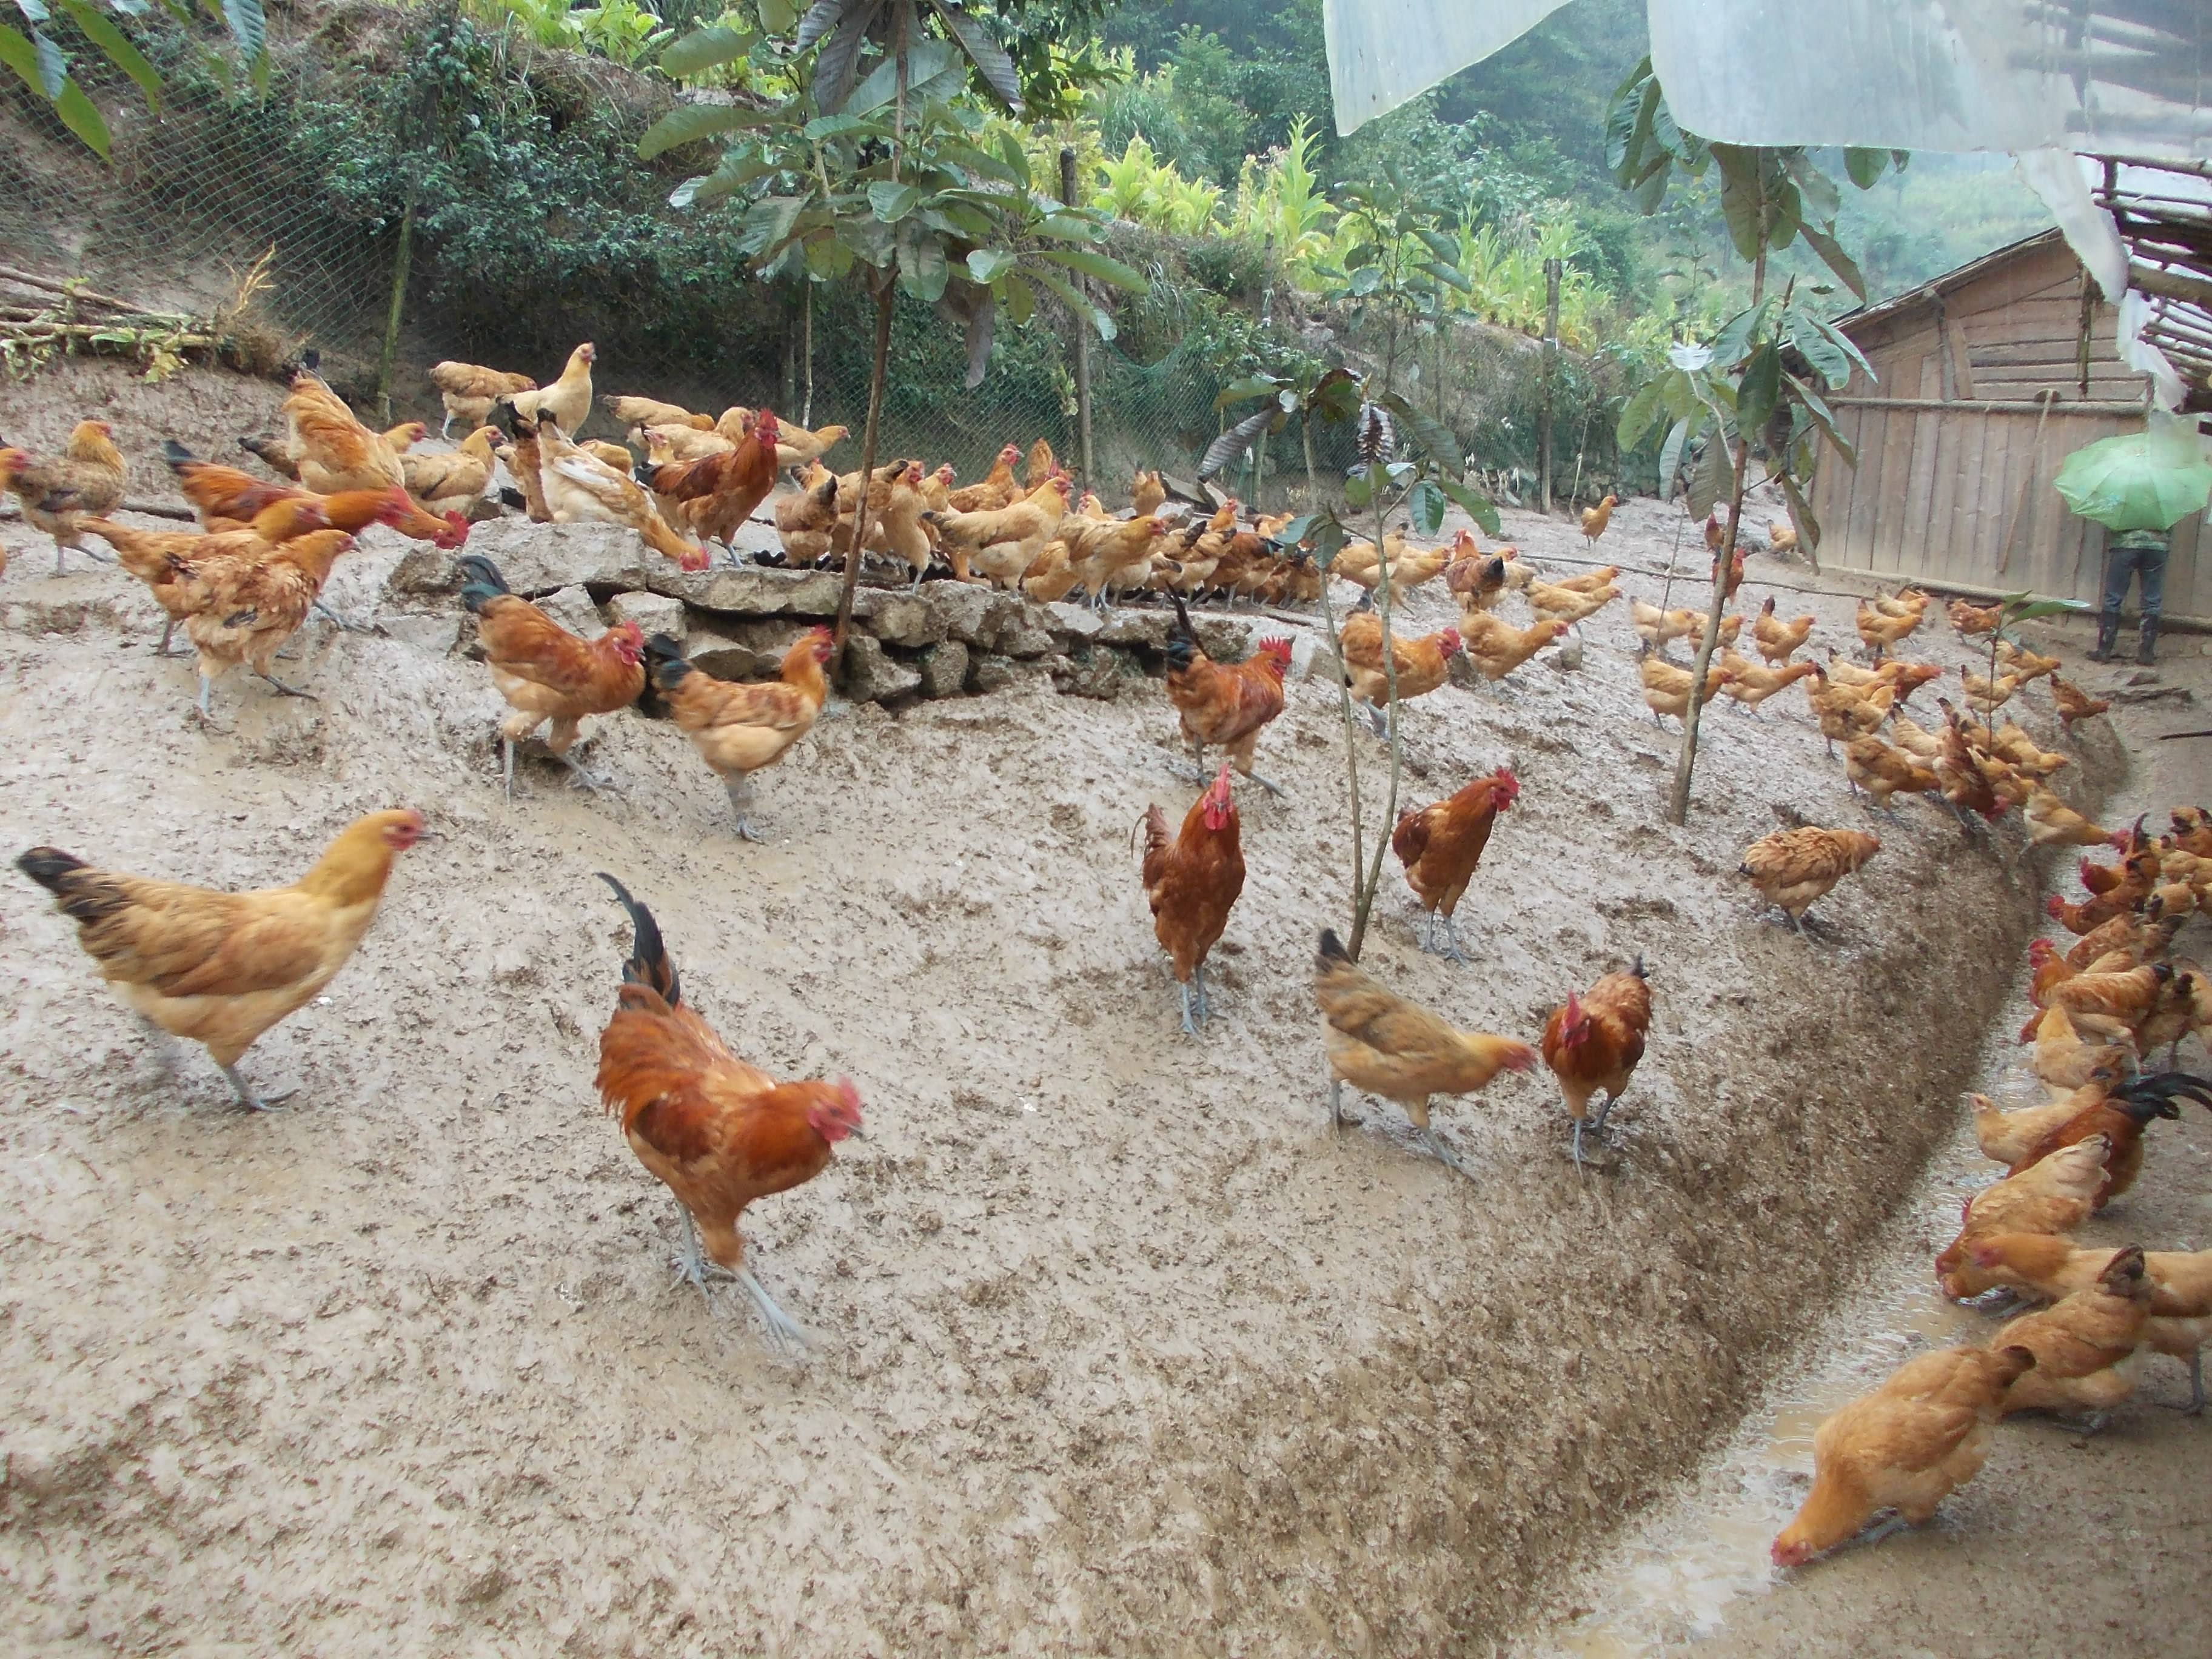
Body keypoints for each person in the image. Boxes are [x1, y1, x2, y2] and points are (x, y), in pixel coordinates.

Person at [2090, 524, 2172, 665]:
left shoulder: (2124, 501)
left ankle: (2104, 651)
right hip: (2157, 546)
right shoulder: (2168, 501)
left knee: (2113, 597)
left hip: (2126, 544)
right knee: (2152, 601)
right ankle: (2146, 654)